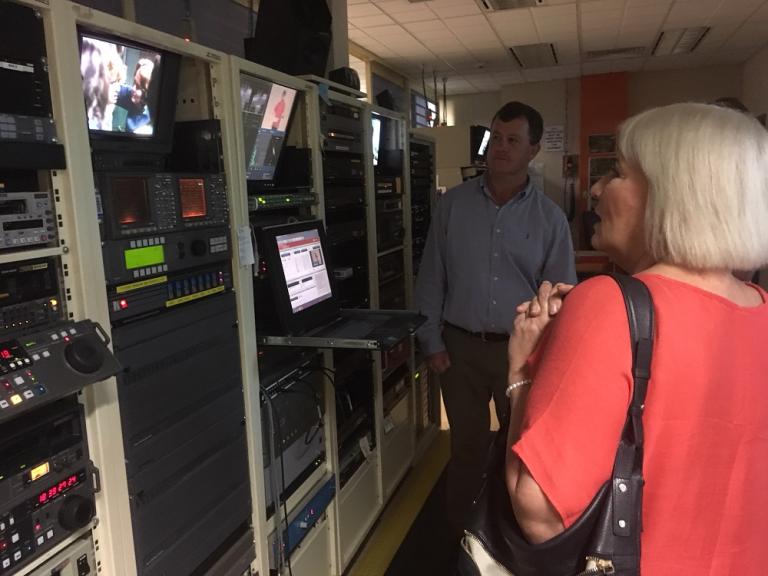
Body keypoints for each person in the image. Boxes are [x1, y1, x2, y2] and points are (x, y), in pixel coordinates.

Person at [504, 102, 768, 573]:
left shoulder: (607, 304)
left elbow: (541, 514)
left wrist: (522, 369)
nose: (597, 188)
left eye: (619, 174)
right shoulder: (760, 308)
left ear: (673, 194)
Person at [415, 100, 577, 538]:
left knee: (518, 450)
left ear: (533, 149)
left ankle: (506, 537)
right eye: (496, 138)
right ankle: (458, 537)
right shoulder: (453, 207)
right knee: (465, 447)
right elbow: (433, 275)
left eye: (512, 141)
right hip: (460, 350)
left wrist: (547, 361)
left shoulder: (550, 219)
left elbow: (560, 298)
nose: (500, 148)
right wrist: (432, 341)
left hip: (520, 356)